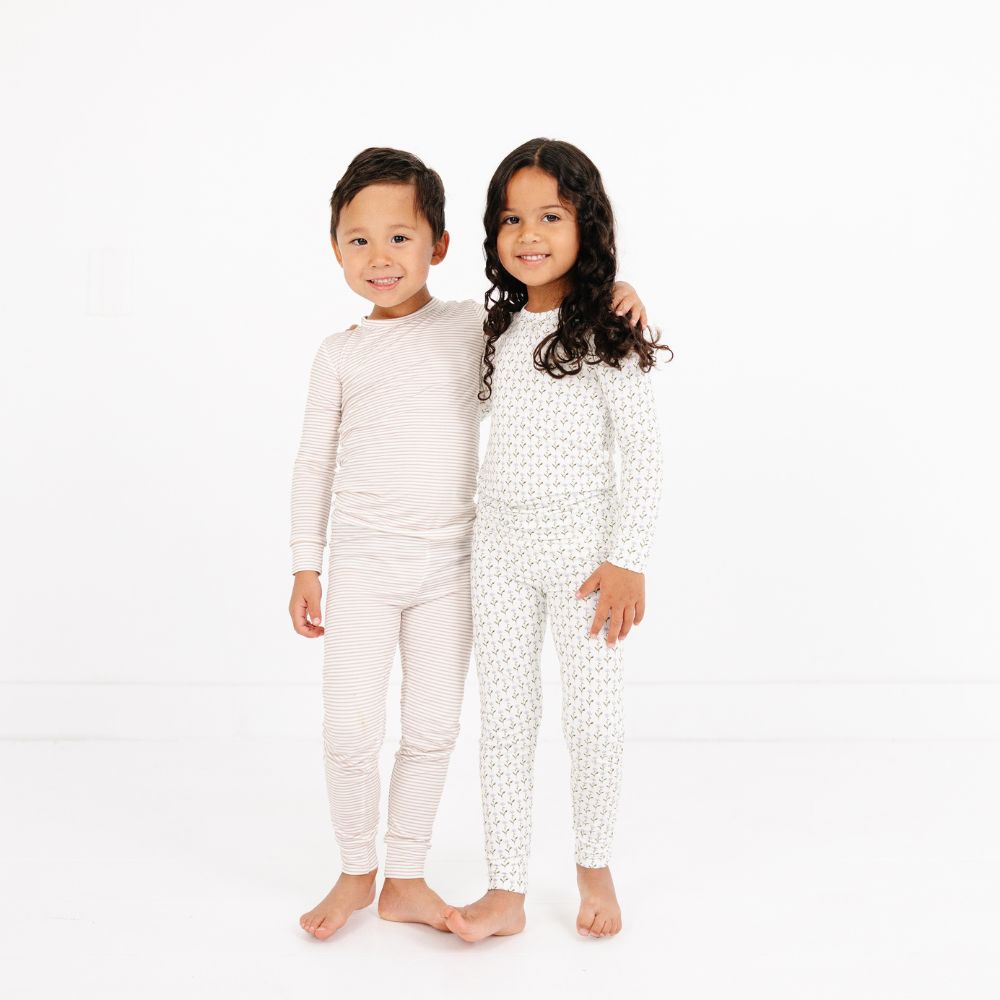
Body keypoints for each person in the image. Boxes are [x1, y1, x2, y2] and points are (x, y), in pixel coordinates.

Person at [289, 146, 648, 940]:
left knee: (444, 728)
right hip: (405, 562)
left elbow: (618, 417)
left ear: (441, 246)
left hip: (471, 563)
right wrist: (304, 563)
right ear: (336, 247)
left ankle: (419, 876)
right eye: (359, 240)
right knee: (363, 728)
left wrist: (618, 292)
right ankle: (366, 869)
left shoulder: (475, 326)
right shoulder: (365, 350)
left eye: (401, 238)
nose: (380, 258)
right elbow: (313, 459)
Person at [443, 138, 670, 943]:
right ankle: (505, 888)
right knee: (504, 716)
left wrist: (627, 559)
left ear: (587, 225)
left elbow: (642, 455)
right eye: (512, 218)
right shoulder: (496, 329)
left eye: (550, 216)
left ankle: (594, 863)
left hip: (584, 558)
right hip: (498, 548)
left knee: (593, 718)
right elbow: (455, 414)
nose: (528, 233)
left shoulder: (609, 328)